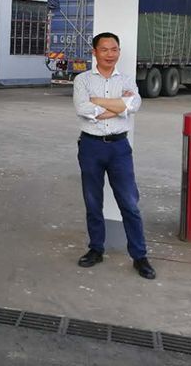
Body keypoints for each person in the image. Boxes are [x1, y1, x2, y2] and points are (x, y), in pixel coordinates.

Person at [72, 32, 156, 280]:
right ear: (94, 52)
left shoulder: (127, 80)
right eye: (104, 49)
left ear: (119, 51)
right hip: (91, 147)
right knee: (92, 201)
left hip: (119, 148)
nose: (110, 54)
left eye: (114, 49)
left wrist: (100, 102)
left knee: (129, 203)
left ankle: (139, 256)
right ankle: (96, 249)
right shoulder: (83, 80)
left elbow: (134, 105)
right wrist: (119, 107)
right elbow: (83, 109)